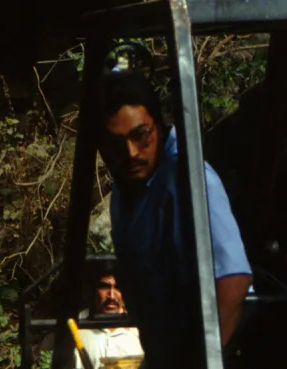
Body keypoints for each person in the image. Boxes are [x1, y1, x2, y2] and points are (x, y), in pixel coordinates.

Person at [98, 68, 253, 368]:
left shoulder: (191, 179)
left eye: (140, 136)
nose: (131, 153)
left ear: (157, 125)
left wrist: (200, 361)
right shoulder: (125, 188)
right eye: (116, 144)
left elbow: (233, 278)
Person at [70, 270, 144, 367]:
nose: (112, 296)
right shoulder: (76, 323)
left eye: (118, 288)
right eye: (104, 287)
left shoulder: (139, 327)